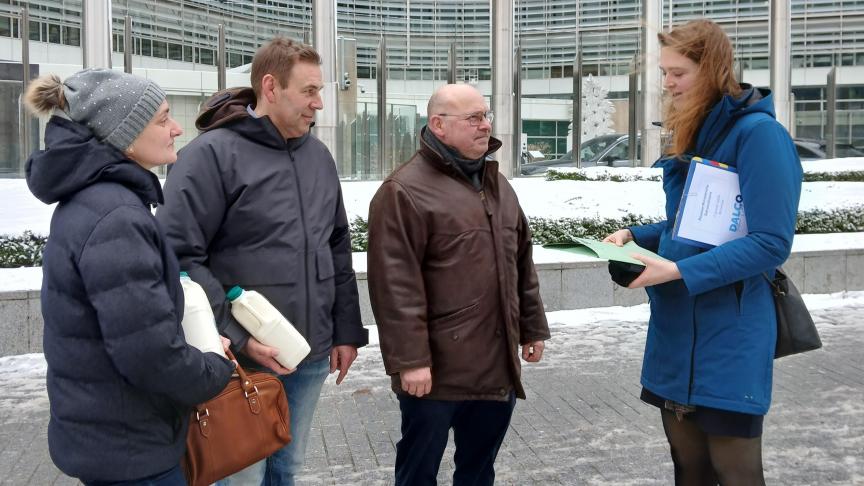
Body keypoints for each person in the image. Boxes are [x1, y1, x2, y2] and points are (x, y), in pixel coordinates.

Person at [156, 37, 368, 485]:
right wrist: (236, 336)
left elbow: (336, 245)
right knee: (241, 477)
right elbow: (178, 256)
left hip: (308, 351)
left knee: (286, 469)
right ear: (270, 87)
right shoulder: (208, 156)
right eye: (309, 91)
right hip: (240, 359)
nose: (320, 103)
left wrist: (346, 330)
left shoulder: (318, 155)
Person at [603, 19, 802, 485]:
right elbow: (694, 225)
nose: (668, 83)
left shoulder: (758, 136)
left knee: (736, 474)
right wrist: (637, 236)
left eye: (679, 73)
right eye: (665, 73)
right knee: (689, 470)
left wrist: (676, 270)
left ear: (712, 69)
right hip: (676, 333)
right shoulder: (696, 131)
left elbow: (771, 243)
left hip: (729, 336)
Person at [24, 69, 235, 485]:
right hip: (131, 452)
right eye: (162, 119)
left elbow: (131, 327)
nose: (176, 128)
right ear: (124, 134)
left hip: (112, 438)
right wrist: (213, 369)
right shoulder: (116, 216)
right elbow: (149, 353)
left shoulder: (100, 202)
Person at [366, 83, 551, 486]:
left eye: (486, 116)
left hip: (495, 367)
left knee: (478, 473)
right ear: (439, 125)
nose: (486, 126)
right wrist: (410, 361)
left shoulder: (497, 185)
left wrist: (532, 328)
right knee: (418, 474)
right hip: (434, 376)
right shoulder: (402, 191)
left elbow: (521, 261)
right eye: (474, 118)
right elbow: (394, 285)